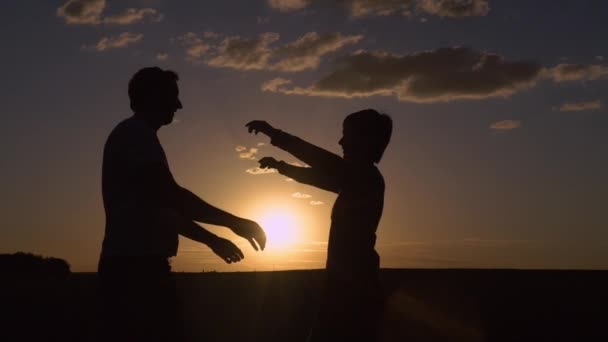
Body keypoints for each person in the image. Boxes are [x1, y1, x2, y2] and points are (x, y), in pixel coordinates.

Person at [99, 67, 266, 341]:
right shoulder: (135, 136)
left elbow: (162, 209)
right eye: (172, 96)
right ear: (152, 96)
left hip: (138, 267)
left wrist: (212, 239)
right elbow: (171, 196)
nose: (179, 104)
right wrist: (234, 223)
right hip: (135, 273)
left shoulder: (138, 137)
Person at [246, 109, 392, 341]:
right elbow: (318, 176)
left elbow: (319, 160)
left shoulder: (365, 178)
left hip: (353, 291)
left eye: (348, 135)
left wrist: (274, 134)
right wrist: (281, 166)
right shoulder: (358, 179)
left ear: (366, 140)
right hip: (346, 286)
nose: (341, 141)